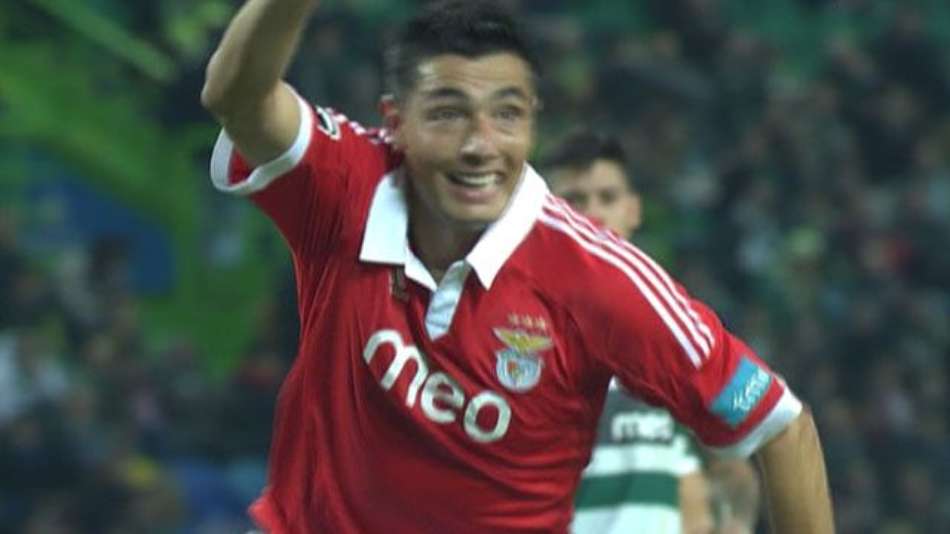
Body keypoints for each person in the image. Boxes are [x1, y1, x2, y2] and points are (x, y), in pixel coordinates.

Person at [200, 1, 834, 532]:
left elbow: (779, 425)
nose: (480, 146)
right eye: (448, 113)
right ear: (396, 123)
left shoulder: (598, 279)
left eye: (506, 114)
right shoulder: (346, 188)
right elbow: (236, 97)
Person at [544, 130, 760, 534]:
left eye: (608, 198)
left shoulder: (677, 336)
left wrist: (734, 522)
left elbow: (735, 462)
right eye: (574, 200)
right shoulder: (514, 337)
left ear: (633, 210)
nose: (593, 214)